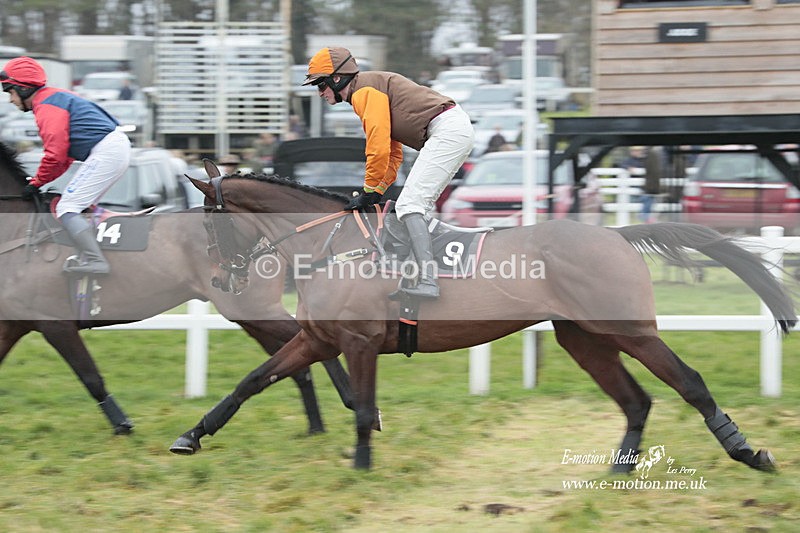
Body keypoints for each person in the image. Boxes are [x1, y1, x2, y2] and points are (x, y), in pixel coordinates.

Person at [302, 46, 474, 299]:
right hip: (450, 129)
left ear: (336, 79)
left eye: (320, 85)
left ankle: (428, 279)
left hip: (447, 131)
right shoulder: (367, 91)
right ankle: (419, 274)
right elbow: (394, 153)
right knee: (409, 206)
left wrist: (370, 189)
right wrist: (377, 190)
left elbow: (378, 147)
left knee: (410, 206)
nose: (319, 93)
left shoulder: (364, 92)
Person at [2, 56, 131, 275]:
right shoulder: (52, 98)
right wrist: (38, 181)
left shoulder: (46, 106)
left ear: (22, 89)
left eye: (10, 92)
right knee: (75, 206)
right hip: (111, 148)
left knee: (66, 208)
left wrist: (37, 182)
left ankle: (96, 260)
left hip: (107, 151)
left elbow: (55, 154)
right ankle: (90, 253)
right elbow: (63, 159)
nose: (10, 100)